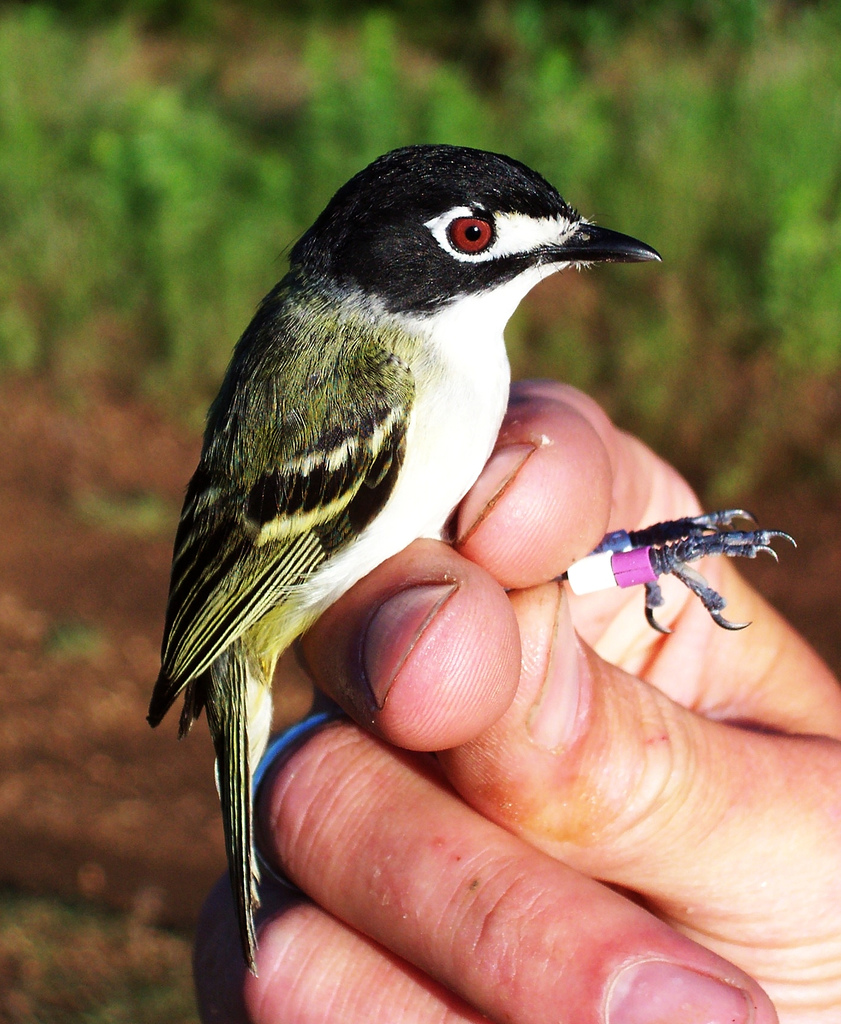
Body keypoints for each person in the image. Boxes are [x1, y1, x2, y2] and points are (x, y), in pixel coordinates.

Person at [193, 381, 841, 1023]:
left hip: (441, 600)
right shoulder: (369, 381)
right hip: (276, 610)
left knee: (466, 605)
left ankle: (630, 558)